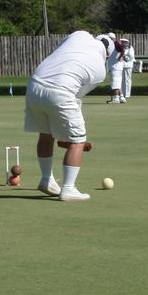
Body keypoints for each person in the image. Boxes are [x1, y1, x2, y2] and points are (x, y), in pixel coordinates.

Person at [24, 30, 113, 201]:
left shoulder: (79, 35)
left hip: (34, 85)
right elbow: (74, 98)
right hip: (59, 91)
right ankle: (69, 189)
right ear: (107, 55)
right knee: (78, 139)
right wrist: (70, 137)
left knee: (46, 134)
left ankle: (46, 180)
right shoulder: (100, 71)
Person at [106, 32, 125, 104]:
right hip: (116, 67)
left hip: (115, 67)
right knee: (117, 83)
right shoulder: (112, 45)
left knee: (115, 83)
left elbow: (122, 49)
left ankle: (116, 99)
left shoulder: (115, 43)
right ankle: (122, 97)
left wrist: (120, 57)